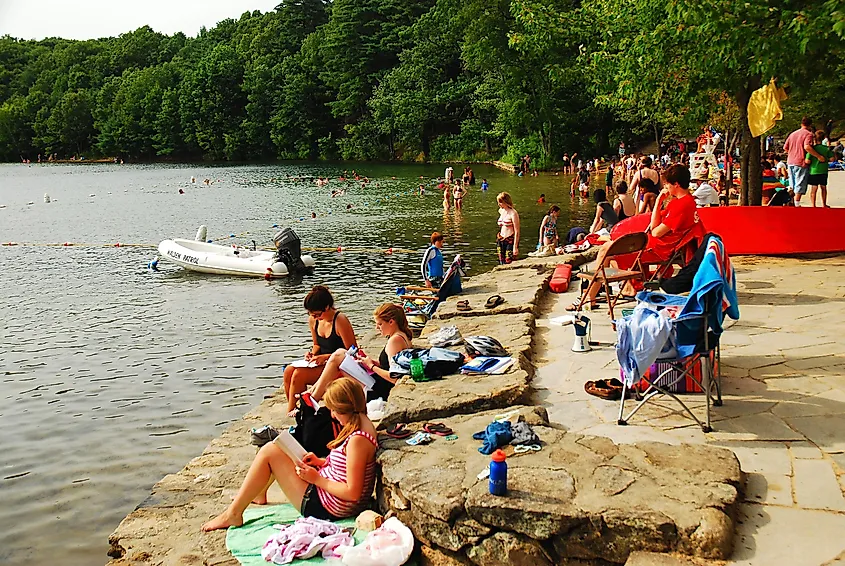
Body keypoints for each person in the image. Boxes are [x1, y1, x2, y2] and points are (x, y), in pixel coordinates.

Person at [201, 378, 377, 530]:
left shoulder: (357, 440)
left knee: (269, 451)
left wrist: (316, 479)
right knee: (278, 450)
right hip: (333, 498)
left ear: (343, 408)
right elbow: (350, 467)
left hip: (327, 507)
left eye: (333, 410)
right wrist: (322, 462)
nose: (332, 415)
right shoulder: (362, 424)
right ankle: (257, 494)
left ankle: (233, 513)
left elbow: (352, 492)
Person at [569, 164, 706, 310]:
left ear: (676, 184)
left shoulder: (681, 206)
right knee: (608, 251)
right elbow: (655, 225)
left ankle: (590, 297)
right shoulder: (686, 202)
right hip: (657, 245)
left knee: (606, 251)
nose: (665, 187)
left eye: (667, 184)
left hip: (657, 249)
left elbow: (655, 231)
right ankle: (608, 292)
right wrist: (659, 200)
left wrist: (659, 203)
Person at [309, 304, 413, 403]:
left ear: (391, 322)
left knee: (338, 356)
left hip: (381, 390)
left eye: (380, 324)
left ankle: (312, 399)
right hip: (381, 384)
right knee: (341, 354)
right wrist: (374, 363)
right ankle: (313, 393)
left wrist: (371, 366)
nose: (377, 328)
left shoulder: (394, 341)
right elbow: (392, 366)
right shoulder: (402, 336)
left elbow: (394, 377)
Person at [283, 286, 357, 416]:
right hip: (322, 362)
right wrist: (312, 353)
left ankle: (298, 410)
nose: (315, 318)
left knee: (299, 375)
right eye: (312, 315)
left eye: (318, 314)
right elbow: (317, 344)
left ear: (327, 307)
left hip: (337, 366)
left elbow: (352, 351)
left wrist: (326, 357)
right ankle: (294, 407)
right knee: (289, 370)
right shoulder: (314, 321)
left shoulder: (340, 320)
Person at [783, 117, 827, 206]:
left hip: (790, 161)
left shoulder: (793, 134)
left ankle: (790, 201)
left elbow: (785, 148)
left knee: (792, 184)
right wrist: (818, 156)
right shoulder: (808, 134)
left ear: (801, 124)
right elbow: (807, 147)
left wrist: (792, 153)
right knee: (800, 183)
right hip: (800, 161)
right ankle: (797, 203)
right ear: (810, 125)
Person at [806, 129, 834, 207]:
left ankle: (813, 205)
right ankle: (824, 204)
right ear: (823, 138)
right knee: (823, 187)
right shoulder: (826, 149)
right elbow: (832, 159)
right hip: (823, 170)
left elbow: (807, 161)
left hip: (814, 170)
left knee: (814, 189)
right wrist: (826, 159)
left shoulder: (812, 149)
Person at [496, 192, 520, 264]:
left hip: (509, 239)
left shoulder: (513, 213)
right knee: (501, 261)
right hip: (501, 239)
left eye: (500, 202)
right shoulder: (501, 211)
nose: (499, 204)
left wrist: (515, 247)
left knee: (509, 260)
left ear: (506, 202)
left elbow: (517, 231)